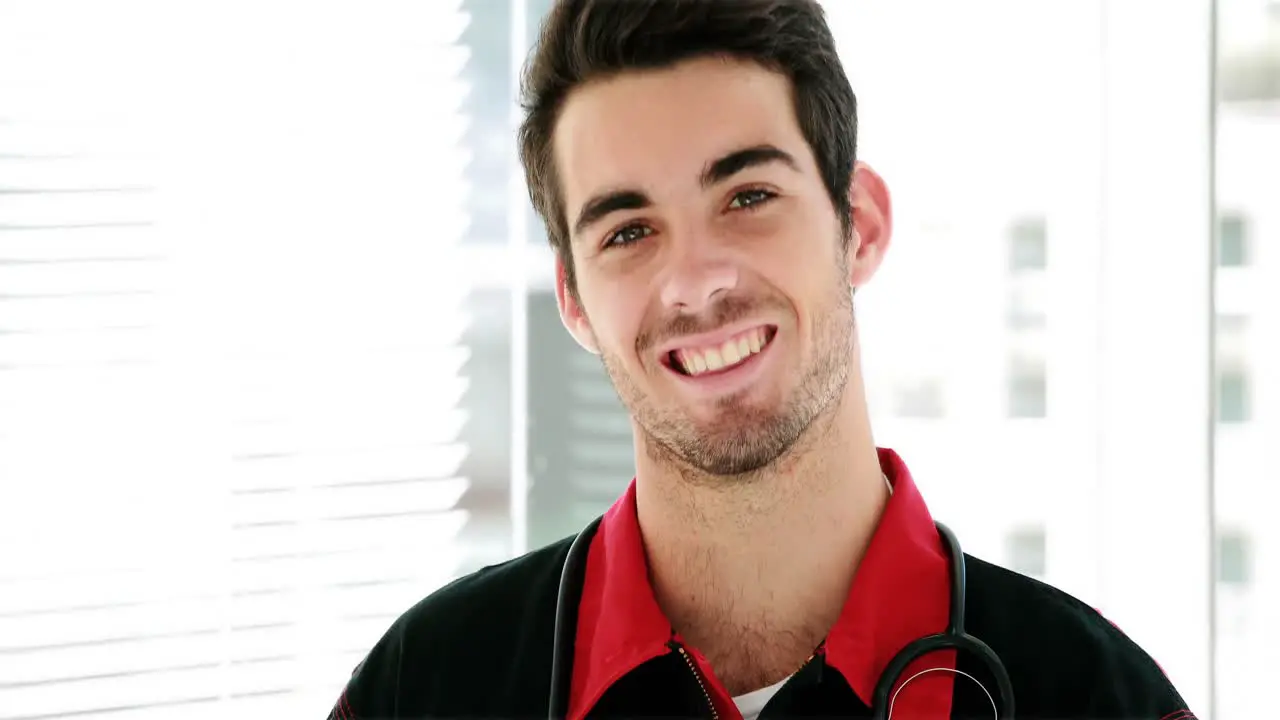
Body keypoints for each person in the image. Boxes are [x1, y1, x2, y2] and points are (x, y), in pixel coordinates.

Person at [327, 1, 1198, 718]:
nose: (696, 282)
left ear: (859, 224)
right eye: (628, 231)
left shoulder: (1099, 697)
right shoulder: (425, 685)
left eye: (748, 196)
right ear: (573, 300)